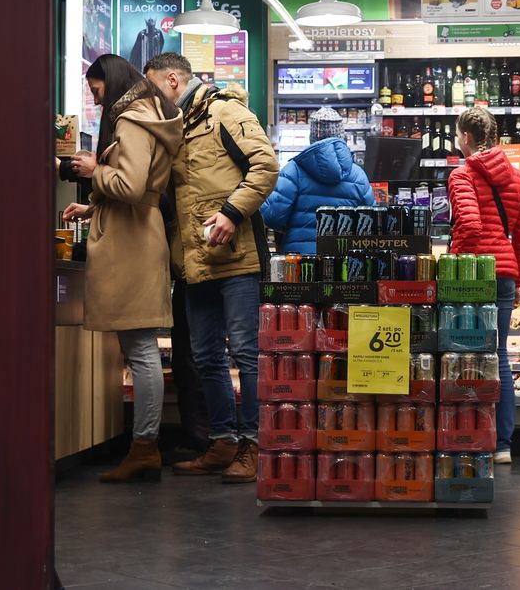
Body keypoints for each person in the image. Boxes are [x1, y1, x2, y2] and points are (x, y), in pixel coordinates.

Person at [144, 52, 278, 483]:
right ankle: (222, 442)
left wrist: (231, 213)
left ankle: (254, 444)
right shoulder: (176, 127)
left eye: (151, 89)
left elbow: (266, 165)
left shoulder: (224, 112)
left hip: (238, 258)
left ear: (171, 81)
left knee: (245, 353)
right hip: (194, 260)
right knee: (204, 356)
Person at [60, 54, 184, 482]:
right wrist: (93, 202)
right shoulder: (153, 113)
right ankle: (143, 445)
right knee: (140, 345)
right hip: (140, 235)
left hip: (131, 242)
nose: (95, 100)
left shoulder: (131, 119)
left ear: (109, 83)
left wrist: (95, 171)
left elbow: (130, 186)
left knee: (141, 349)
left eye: (95, 91)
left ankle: (145, 446)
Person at [447, 107, 520, 465]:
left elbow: (469, 226)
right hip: (504, 276)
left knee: (461, 356)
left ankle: (465, 435)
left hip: (473, 277)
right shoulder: (516, 179)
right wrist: (517, 280)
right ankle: (502, 445)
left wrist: (455, 263)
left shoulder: (462, 175)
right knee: (497, 356)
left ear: (466, 137)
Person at [260, 106, 375, 253]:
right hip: (344, 260)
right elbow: (370, 222)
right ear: (342, 136)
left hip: (300, 261)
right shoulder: (358, 175)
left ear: (312, 137)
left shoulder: (293, 170)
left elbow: (272, 217)